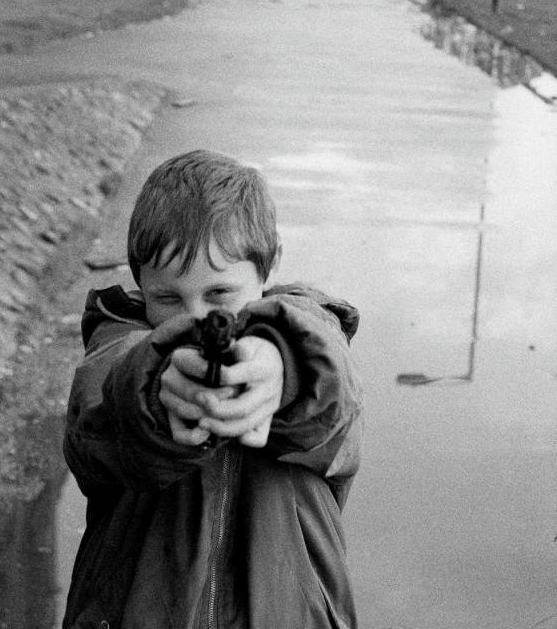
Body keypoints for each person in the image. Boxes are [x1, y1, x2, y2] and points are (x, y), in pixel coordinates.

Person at [62, 149, 364, 629]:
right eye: (167, 298)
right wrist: (156, 390)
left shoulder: (315, 342)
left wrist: (283, 369)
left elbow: (333, 399)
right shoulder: (116, 346)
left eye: (220, 294)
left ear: (270, 269)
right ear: (139, 284)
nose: (197, 320)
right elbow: (97, 422)